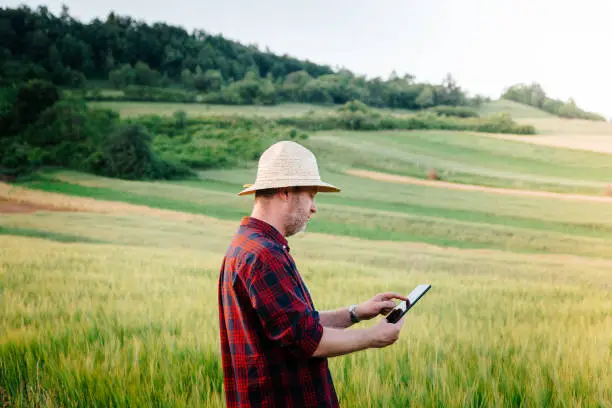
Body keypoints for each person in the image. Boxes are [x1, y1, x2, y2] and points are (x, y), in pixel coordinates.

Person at [218, 141, 408, 407]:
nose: (314, 207)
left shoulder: (248, 245)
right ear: (285, 192)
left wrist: (355, 313)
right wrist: (373, 337)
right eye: (312, 195)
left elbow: (293, 324)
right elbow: (308, 341)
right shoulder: (264, 255)